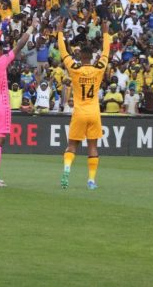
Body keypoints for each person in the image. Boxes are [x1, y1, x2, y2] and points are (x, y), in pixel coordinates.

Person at [56, 19, 111, 190]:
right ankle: (91, 180)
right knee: (93, 146)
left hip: (79, 112)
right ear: (92, 56)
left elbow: (64, 52)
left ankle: (66, 171)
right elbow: (106, 52)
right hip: (94, 112)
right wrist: (106, 33)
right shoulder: (99, 68)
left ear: (80, 56)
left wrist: (59, 32)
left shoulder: (75, 68)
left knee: (72, 145)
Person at [0, 22, 35, 186]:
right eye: (1, 49)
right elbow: (19, 46)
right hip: (1, 105)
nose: (3, 51)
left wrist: (0, 29)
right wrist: (31, 28)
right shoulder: (0, 62)